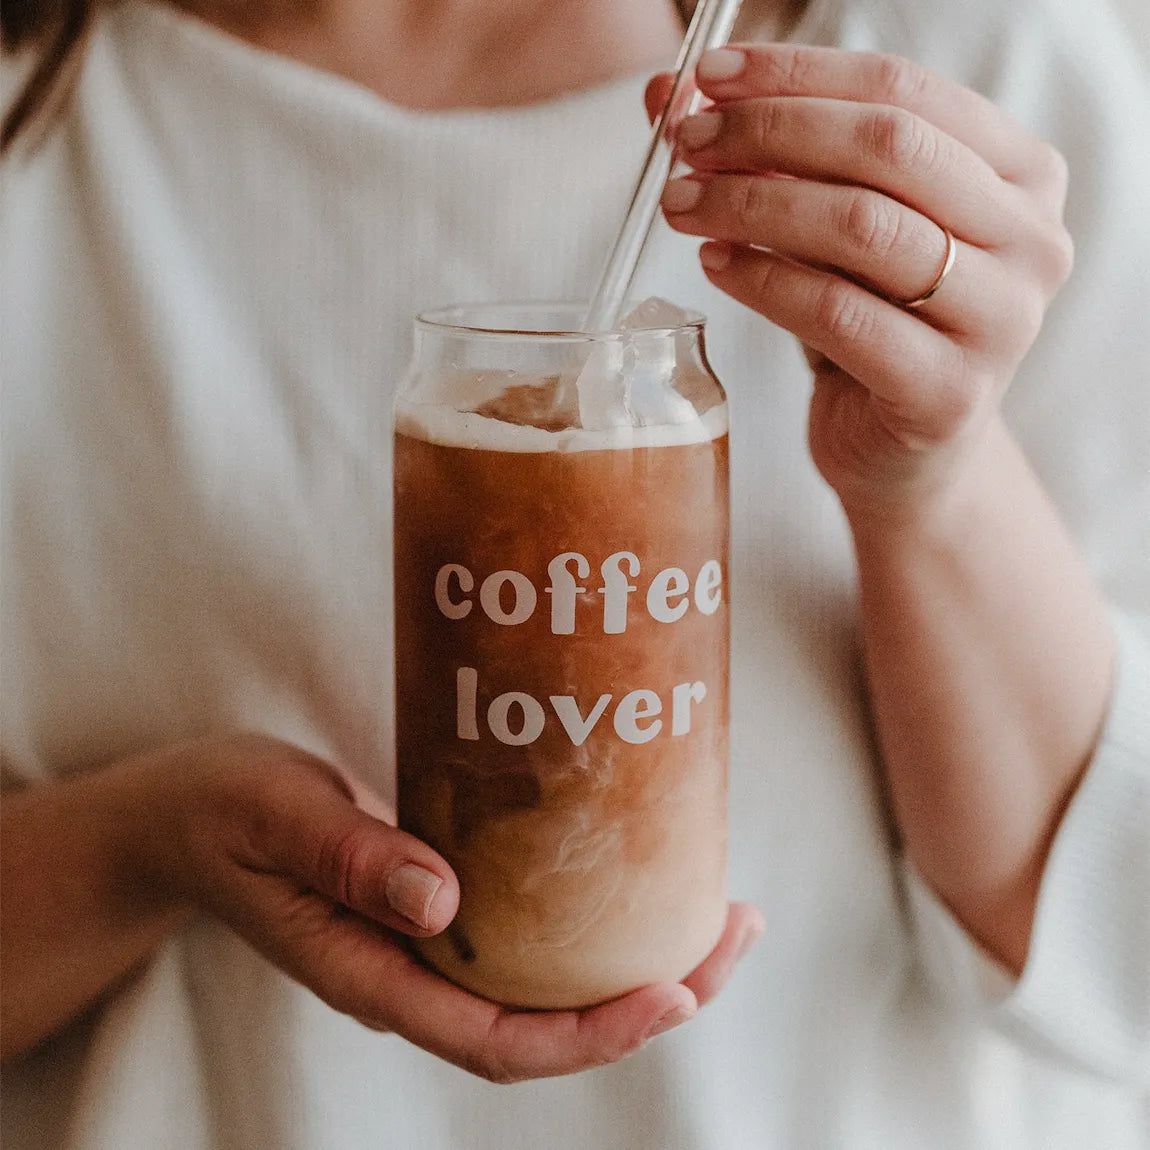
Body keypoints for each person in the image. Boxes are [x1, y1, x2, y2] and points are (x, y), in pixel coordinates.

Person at [1, 0, 1146, 1146]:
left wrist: (933, 484)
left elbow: (1121, 945)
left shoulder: (957, 83)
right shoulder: (38, 125)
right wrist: (146, 844)